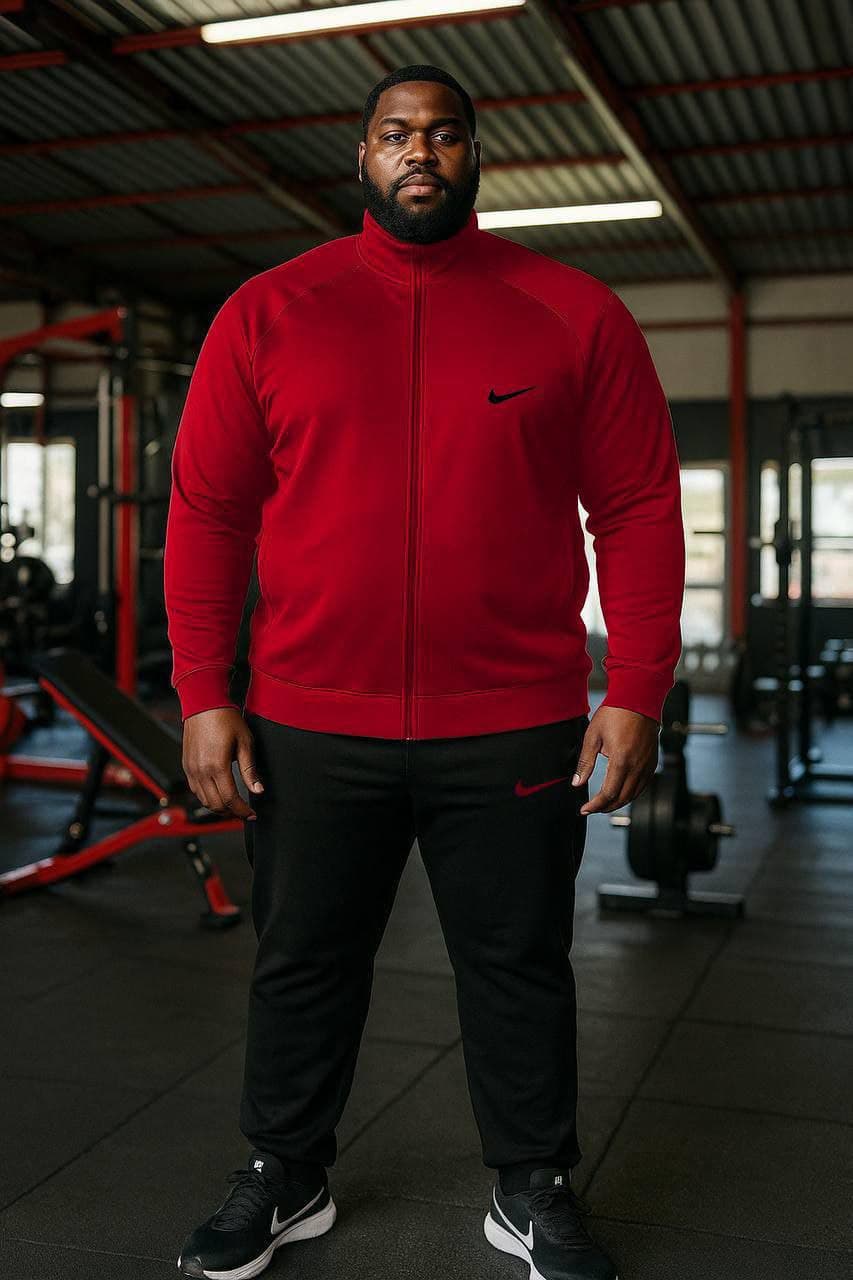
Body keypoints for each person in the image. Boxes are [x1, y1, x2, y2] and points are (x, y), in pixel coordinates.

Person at [165, 62, 684, 1280]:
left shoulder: (571, 312)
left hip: (511, 719)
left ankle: (531, 1181)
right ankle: (284, 1170)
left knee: (517, 965)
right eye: (396, 133)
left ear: (473, 156)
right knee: (301, 959)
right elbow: (208, 512)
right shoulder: (270, 312)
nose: (420, 151)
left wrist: (636, 688)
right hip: (309, 717)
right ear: (361, 156)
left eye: (445, 134)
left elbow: (638, 506)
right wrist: (203, 692)